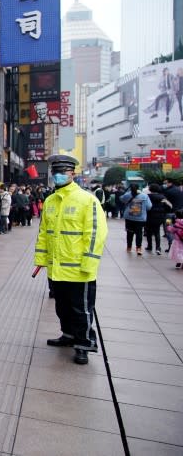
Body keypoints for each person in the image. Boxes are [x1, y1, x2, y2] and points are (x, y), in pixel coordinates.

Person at [35, 155, 108, 365]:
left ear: (72, 174)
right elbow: (43, 233)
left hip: (78, 270)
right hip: (56, 268)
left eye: (62, 172)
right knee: (62, 306)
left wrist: (89, 263)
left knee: (81, 309)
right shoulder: (50, 201)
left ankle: (83, 344)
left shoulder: (87, 199)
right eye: (55, 172)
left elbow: (96, 234)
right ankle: (67, 335)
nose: (57, 176)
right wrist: (41, 259)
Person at [121, 183, 152, 255]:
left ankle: (129, 247)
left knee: (129, 232)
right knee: (139, 233)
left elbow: (122, 199)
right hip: (140, 218)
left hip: (129, 217)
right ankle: (138, 248)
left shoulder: (128, 195)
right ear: (138, 188)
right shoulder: (144, 196)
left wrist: (127, 192)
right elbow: (149, 206)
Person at [146, 183, 173, 255]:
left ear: (150, 189)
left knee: (148, 231)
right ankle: (158, 248)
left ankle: (149, 246)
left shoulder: (147, 197)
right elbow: (170, 206)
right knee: (157, 232)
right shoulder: (163, 197)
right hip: (160, 217)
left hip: (149, 216)